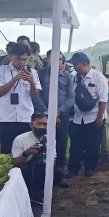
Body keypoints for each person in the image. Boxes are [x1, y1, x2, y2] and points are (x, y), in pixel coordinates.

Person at [0, 42, 41, 157]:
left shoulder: (32, 72)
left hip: (26, 117)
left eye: (25, 59)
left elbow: (34, 96)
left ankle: (26, 174)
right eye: (18, 59)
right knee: (8, 152)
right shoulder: (0, 70)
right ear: (10, 56)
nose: (22, 62)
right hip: (7, 117)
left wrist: (31, 82)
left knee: (27, 151)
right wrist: (15, 78)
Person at [67, 53, 108, 178]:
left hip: (94, 116)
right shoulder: (74, 78)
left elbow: (103, 99)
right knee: (76, 144)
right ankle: (73, 168)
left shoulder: (98, 77)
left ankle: (90, 168)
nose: (74, 67)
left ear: (84, 64)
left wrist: (100, 117)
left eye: (76, 64)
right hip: (78, 117)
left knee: (93, 144)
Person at [11, 113, 65, 205]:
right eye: (39, 124)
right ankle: (29, 193)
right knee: (23, 170)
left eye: (45, 124)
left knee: (58, 172)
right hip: (26, 168)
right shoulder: (20, 139)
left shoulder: (50, 139)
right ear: (31, 125)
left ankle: (42, 193)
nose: (42, 127)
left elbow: (54, 160)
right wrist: (27, 153)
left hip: (43, 166)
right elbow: (14, 163)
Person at [38, 51, 75, 179]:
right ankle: (42, 175)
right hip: (43, 116)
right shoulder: (40, 75)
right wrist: (46, 112)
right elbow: (36, 95)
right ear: (47, 60)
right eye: (53, 58)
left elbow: (71, 98)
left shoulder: (66, 76)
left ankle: (60, 175)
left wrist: (59, 111)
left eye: (60, 59)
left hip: (61, 116)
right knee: (43, 143)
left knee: (61, 144)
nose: (57, 61)